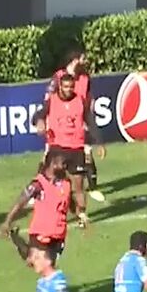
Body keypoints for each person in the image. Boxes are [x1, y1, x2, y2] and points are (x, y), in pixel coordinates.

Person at [35, 72, 104, 228]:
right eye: (65, 86)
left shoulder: (80, 100)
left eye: (71, 87)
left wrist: (99, 142)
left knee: (78, 185)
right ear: (60, 86)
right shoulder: (52, 101)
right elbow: (38, 115)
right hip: (57, 147)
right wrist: (39, 122)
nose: (68, 89)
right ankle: (50, 213)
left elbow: (90, 121)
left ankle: (82, 215)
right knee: (50, 183)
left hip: (76, 148)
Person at [43, 47, 105, 204]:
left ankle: (92, 188)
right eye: (84, 58)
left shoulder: (85, 78)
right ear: (76, 59)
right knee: (51, 159)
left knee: (87, 154)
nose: (86, 61)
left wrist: (87, 116)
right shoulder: (59, 77)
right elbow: (49, 100)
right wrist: (48, 122)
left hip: (79, 121)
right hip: (60, 126)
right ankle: (43, 188)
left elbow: (88, 98)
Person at [0, 152, 73, 265]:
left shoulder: (66, 183)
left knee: (47, 266)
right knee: (38, 263)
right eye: (63, 164)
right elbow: (20, 203)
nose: (65, 167)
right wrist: (7, 221)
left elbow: (70, 202)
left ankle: (15, 236)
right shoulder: (38, 184)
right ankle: (15, 237)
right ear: (53, 164)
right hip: (41, 231)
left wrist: (80, 214)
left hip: (59, 233)